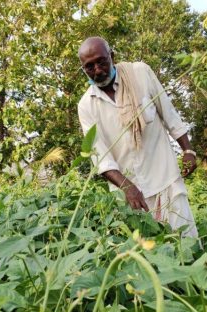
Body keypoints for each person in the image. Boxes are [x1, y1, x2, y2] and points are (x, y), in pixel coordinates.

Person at [77, 36, 198, 237]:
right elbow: (101, 157)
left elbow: (168, 113)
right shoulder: (86, 106)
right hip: (129, 195)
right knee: (146, 256)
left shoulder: (140, 73)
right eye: (89, 67)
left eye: (101, 61)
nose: (97, 70)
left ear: (112, 56)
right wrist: (128, 187)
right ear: (84, 70)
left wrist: (188, 149)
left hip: (164, 177)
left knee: (186, 243)